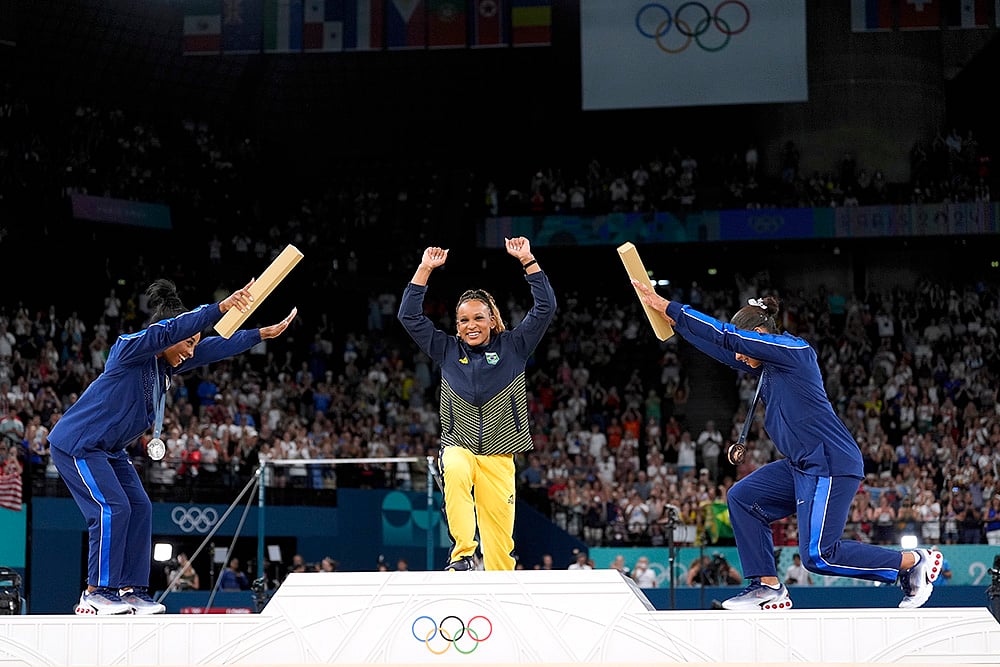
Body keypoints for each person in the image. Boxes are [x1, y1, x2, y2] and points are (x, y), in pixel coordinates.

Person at [631, 283, 943, 611]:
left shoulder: (794, 351)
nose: (738, 357)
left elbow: (727, 338)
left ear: (760, 333)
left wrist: (671, 306)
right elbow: (724, 348)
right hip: (801, 465)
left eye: (743, 345)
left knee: (819, 555)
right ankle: (767, 586)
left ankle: (912, 562)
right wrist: (675, 325)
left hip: (829, 462)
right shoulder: (768, 365)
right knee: (742, 498)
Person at [48, 278, 297, 615]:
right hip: (78, 444)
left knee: (141, 507)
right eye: (188, 342)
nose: (191, 351)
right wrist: (219, 307)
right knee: (112, 508)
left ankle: (132, 589)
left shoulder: (167, 364)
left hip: (109, 450)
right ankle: (96, 592)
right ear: (171, 332)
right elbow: (167, 333)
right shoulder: (130, 349)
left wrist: (261, 335)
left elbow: (216, 346)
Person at [397, 238, 556, 572]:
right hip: (460, 444)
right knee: (453, 469)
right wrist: (425, 268)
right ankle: (463, 555)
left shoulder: (515, 346)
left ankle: (501, 596)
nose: (470, 326)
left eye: (478, 318)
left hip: (500, 455)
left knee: (500, 548)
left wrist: (528, 261)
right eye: (463, 320)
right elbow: (408, 315)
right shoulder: (445, 349)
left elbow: (545, 308)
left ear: (492, 319)